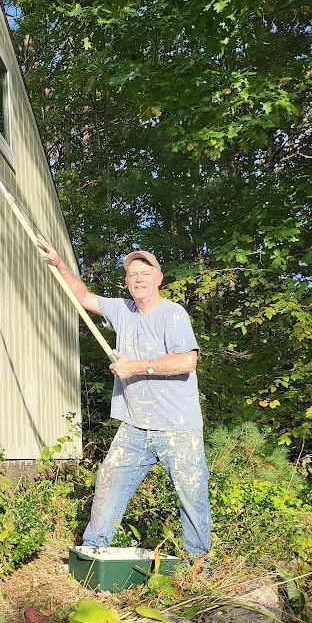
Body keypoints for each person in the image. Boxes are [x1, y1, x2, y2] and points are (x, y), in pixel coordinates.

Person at [39, 242, 211, 564]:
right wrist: (59, 263)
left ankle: (197, 567)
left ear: (158, 278)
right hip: (135, 425)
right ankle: (92, 556)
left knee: (192, 495)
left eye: (145, 273)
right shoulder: (122, 310)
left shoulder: (173, 314)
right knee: (109, 480)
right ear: (127, 281)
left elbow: (188, 362)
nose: (138, 279)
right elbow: (82, 296)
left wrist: (136, 366)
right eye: (132, 274)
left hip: (178, 427)